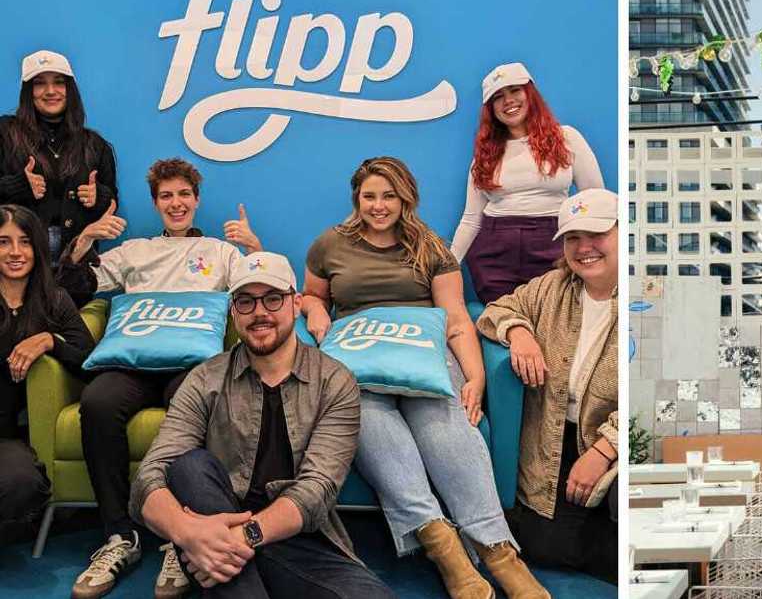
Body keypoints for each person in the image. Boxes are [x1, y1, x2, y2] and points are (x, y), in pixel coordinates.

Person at [303, 156, 548, 599]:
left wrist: (475, 378)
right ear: (356, 198)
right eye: (369, 196)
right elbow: (312, 295)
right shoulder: (329, 245)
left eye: (388, 196)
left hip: (425, 359)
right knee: (372, 427)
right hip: (359, 364)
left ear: (405, 198)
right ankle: (446, 551)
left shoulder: (432, 246)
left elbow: (456, 318)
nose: (379, 206)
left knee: (448, 429)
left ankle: (499, 554)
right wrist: (317, 311)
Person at [129, 251, 396, 598]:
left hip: (297, 538)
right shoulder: (204, 379)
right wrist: (185, 532)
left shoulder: (335, 381)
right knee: (189, 467)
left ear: (295, 302)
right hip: (214, 521)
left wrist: (240, 538)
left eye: (272, 298)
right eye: (245, 301)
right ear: (232, 310)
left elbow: (317, 490)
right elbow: (148, 477)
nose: (259, 312)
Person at [64, 158, 262, 599]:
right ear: (156, 204)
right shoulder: (134, 252)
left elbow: (259, 289)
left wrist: (253, 247)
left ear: (196, 199)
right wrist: (85, 239)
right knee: (97, 402)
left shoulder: (219, 252)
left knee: (191, 408)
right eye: (166, 196)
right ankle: (120, 536)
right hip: (132, 362)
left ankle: (182, 536)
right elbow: (75, 288)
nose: (176, 203)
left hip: (190, 366)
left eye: (184, 194)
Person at [476, 188, 619, 583]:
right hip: (557, 442)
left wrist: (606, 450)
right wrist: (519, 332)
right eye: (573, 237)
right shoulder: (551, 287)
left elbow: (658, 399)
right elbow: (496, 311)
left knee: (623, 503)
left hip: (619, 445)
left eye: (596, 234)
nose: (584, 248)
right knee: (541, 543)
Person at [449, 62, 604, 304]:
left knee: (554, 325)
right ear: (491, 109)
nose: (508, 101)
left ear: (529, 93)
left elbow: (596, 200)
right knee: (503, 327)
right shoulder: (485, 155)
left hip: (554, 246)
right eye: (498, 97)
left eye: (514, 90)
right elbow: (470, 220)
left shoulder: (566, 138)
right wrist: (447, 268)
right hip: (494, 252)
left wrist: (600, 252)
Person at [0, 205, 92, 541]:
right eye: (3, 242)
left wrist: (50, 340)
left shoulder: (54, 300)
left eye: (24, 242)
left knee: (22, 484)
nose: (15, 253)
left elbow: (88, 361)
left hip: (8, 436)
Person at [0, 50, 118, 261]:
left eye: (59, 82)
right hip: (15, 258)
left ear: (70, 89)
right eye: (39, 83)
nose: (50, 91)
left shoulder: (95, 144)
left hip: (76, 259)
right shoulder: (5, 133)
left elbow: (112, 202)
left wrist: (98, 197)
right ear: (28, 91)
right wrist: (16, 186)